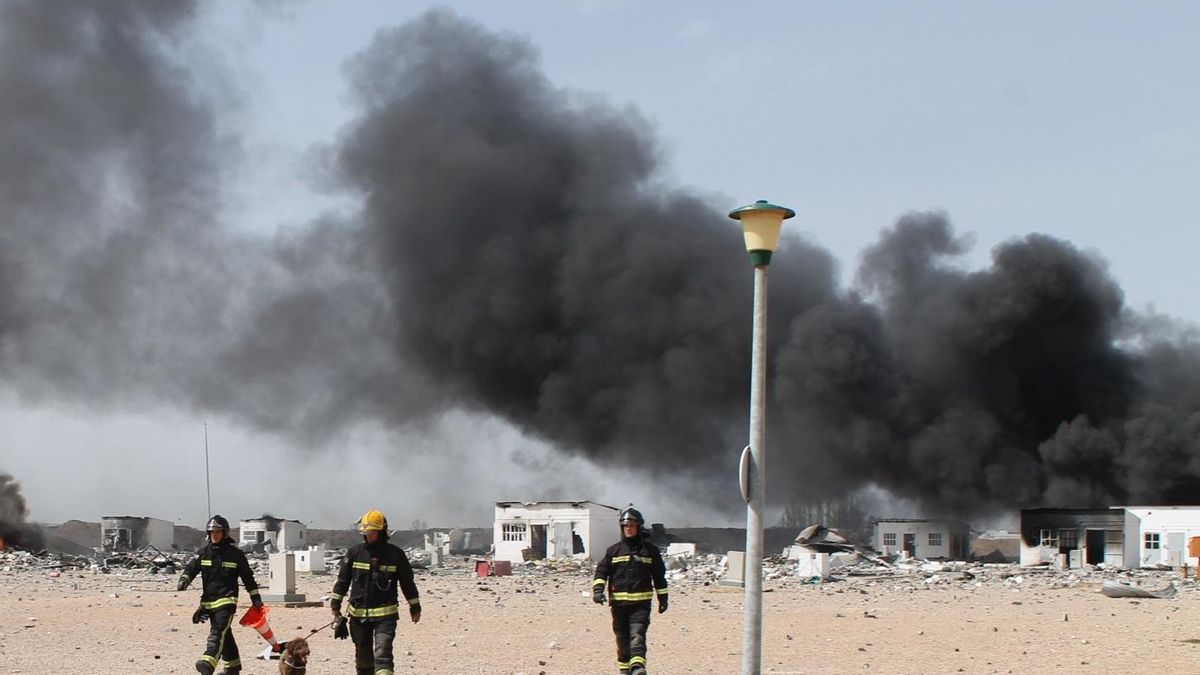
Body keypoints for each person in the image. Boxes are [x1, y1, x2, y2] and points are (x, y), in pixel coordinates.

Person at [330, 510, 421, 675]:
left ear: (382, 531)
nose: (369, 537)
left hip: (385, 616)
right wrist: (335, 605)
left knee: (383, 655)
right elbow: (343, 581)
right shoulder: (354, 553)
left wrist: (415, 606)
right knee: (363, 658)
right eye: (366, 533)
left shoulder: (395, 555)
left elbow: (407, 582)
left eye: (372, 533)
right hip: (358, 616)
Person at [177, 515, 263, 675]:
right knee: (225, 633)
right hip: (209, 603)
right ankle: (233, 667)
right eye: (211, 532)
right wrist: (184, 580)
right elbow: (191, 568)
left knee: (217, 631)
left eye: (217, 532)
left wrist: (256, 598)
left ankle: (208, 661)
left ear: (225, 533)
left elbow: (248, 578)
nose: (214, 535)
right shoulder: (204, 553)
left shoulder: (236, 555)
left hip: (227, 601)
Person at [593, 506, 668, 675]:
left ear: (639, 527)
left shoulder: (650, 551)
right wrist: (598, 591)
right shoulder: (613, 551)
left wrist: (663, 598)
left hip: (641, 604)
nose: (628, 529)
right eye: (626, 526)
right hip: (619, 605)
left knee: (637, 635)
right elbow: (601, 572)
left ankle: (638, 667)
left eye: (632, 526)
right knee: (622, 640)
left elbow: (659, 576)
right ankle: (625, 671)